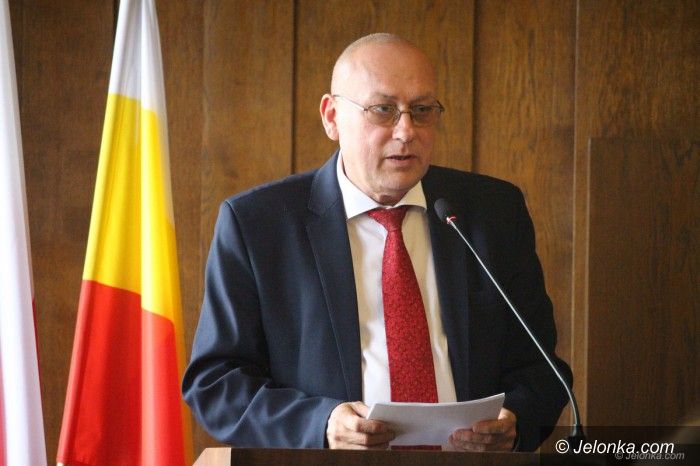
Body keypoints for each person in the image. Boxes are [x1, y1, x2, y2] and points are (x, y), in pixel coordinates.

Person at [182, 33, 572, 452]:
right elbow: (216, 383)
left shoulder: (492, 213)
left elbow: (541, 368)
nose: (406, 131)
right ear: (332, 117)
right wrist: (321, 425)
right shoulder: (258, 225)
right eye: (383, 110)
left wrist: (514, 422)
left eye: (422, 110)